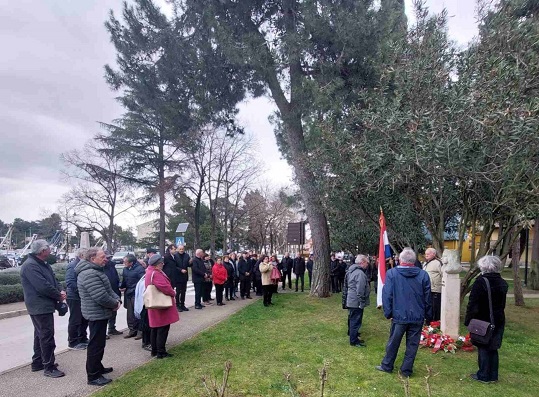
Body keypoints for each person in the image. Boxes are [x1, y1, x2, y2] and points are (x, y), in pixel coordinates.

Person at [376, 248, 432, 377]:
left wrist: (388, 313)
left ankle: (387, 365)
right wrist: (428, 316)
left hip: (400, 315)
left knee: (394, 342)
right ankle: (405, 371)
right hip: (415, 315)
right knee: (412, 345)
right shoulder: (422, 275)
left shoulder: (393, 274)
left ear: (401, 260)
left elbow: (387, 295)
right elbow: (428, 298)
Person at [20, 239, 66, 377]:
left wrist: (61, 290)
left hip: (44, 305)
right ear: (42, 251)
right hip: (39, 306)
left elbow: (53, 280)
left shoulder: (42, 264)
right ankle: (49, 367)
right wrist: (59, 296)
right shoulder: (30, 266)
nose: (50, 250)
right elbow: (42, 286)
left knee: (40, 335)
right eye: (48, 248)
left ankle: (38, 362)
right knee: (46, 336)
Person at [76, 247, 121, 386]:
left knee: (99, 343)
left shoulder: (95, 271)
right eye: (102, 257)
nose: (105, 259)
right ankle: (93, 376)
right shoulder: (89, 274)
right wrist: (114, 303)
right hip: (96, 314)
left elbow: (108, 290)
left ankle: (98, 367)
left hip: (100, 313)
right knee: (95, 345)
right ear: (92, 259)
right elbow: (100, 296)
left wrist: (117, 299)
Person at [464, 255, 508, 384]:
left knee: (483, 346)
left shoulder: (481, 281)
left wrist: (468, 320)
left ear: (483, 267)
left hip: (483, 319)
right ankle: (493, 375)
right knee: (493, 347)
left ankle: (483, 375)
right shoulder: (502, 282)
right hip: (498, 318)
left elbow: (473, 303)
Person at [145, 254, 179, 358]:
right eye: (161, 263)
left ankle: (154, 350)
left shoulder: (149, 272)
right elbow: (164, 287)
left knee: (155, 328)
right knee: (163, 328)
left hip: (155, 304)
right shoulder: (156, 273)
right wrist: (173, 293)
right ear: (157, 264)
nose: (163, 264)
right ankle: (161, 351)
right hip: (161, 305)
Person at [344, 255, 370, 347]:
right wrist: (361, 301)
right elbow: (360, 289)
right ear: (362, 262)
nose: (368, 264)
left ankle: (352, 335)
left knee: (352, 318)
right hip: (356, 301)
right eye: (367, 262)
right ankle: (354, 341)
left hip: (351, 299)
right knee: (356, 321)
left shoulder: (351, 271)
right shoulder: (360, 273)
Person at [65, 248, 89, 350]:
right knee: (75, 319)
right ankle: (73, 342)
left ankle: (82, 338)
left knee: (84, 319)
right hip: (74, 297)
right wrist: (82, 290)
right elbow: (70, 283)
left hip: (81, 297)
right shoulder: (72, 266)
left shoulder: (83, 265)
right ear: (82, 256)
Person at [120, 254, 145, 338]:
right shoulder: (125, 269)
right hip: (128, 293)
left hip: (136, 293)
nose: (124, 263)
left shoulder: (139, 269)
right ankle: (132, 330)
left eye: (125, 262)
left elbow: (142, 282)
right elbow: (124, 280)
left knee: (138, 313)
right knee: (130, 314)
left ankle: (140, 331)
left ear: (131, 262)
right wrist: (121, 286)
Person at [134, 260, 152, 351]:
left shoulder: (144, 278)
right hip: (145, 306)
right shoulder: (144, 280)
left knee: (148, 325)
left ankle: (149, 342)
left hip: (146, 305)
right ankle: (146, 343)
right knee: (146, 325)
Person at [103, 253, 122, 337]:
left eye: (109, 257)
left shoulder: (112, 266)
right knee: (105, 313)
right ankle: (103, 332)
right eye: (106, 257)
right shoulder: (100, 267)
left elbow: (116, 277)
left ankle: (111, 328)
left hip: (114, 290)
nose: (108, 259)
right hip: (106, 292)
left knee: (114, 311)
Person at [423, 248, 443, 322]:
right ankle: (428, 322)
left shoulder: (438, 263)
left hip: (435, 290)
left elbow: (443, 275)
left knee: (435, 308)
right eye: (426, 253)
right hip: (426, 289)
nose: (426, 255)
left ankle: (434, 323)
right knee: (427, 307)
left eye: (428, 253)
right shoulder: (425, 263)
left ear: (434, 254)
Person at [174, 245, 191, 311]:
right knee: (178, 292)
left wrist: (190, 262)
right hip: (178, 276)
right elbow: (174, 266)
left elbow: (188, 265)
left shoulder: (186, 255)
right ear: (178, 249)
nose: (181, 250)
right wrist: (180, 270)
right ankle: (177, 305)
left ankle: (182, 304)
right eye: (180, 249)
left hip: (184, 276)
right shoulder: (175, 256)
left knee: (184, 291)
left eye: (182, 249)